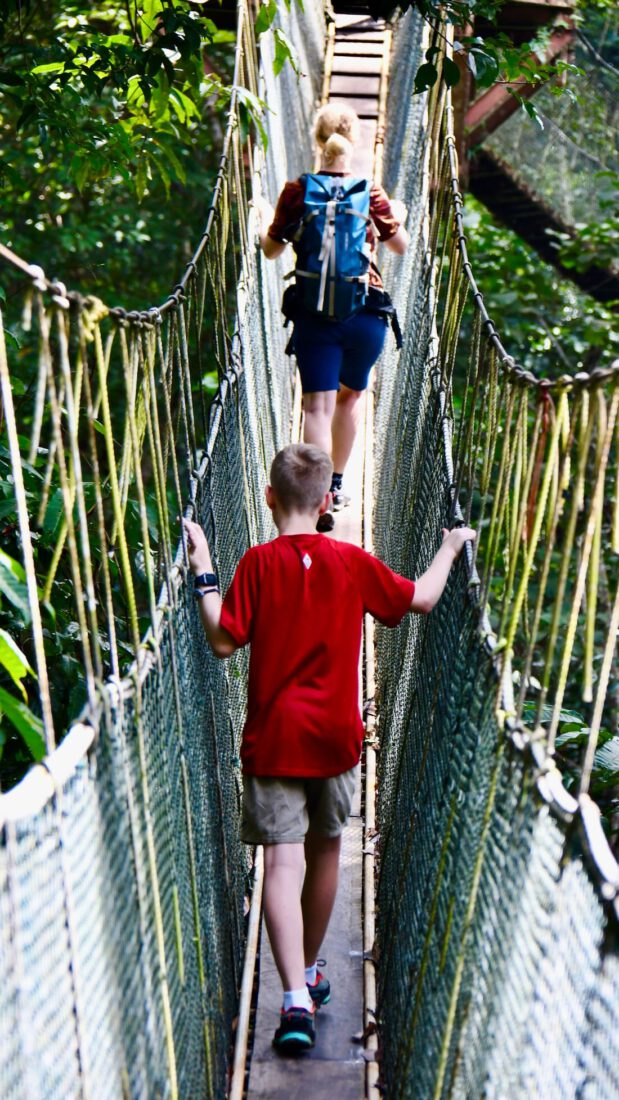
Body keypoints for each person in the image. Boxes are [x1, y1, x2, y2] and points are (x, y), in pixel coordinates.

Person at [182, 443, 475, 1054]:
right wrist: (448, 548)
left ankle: (292, 995)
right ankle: (310, 972)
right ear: (327, 503)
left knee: (281, 866)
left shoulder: (258, 564)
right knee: (325, 857)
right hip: (336, 742)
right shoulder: (351, 560)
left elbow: (221, 640)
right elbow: (420, 599)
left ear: (268, 499)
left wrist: (205, 566)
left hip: (274, 739)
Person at [256, 104, 409, 532]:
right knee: (350, 397)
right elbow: (401, 247)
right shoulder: (371, 191)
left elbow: (271, 250)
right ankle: (338, 486)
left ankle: (317, 499)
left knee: (316, 406)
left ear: (317, 139)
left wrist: (262, 224)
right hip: (366, 314)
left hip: (314, 316)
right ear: (354, 140)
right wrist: (399, 214)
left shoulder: (297, 191)